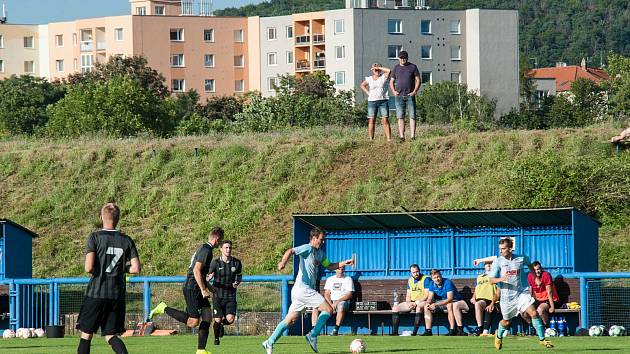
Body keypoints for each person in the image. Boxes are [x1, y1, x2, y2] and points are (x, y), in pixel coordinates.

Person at [262, 227, 354, 354]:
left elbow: (330, 265)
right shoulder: (307, 248)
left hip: (301, 291)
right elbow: (290, 251)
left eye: (323, 240)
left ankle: (269, 342)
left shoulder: (320, 253)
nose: (323, 242)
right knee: (329, 309)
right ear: (314, 238)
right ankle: (313, 335)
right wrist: (283, 262)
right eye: (321, 239)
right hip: (303, 289)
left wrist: (344, 263)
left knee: (290, 320)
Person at [76, 203, 141, 354]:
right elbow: (136, 268)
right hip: (116, 295)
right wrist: (121, 268)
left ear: (101, 217)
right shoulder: (126, 240)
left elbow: (89, 268)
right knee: (111, 335)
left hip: (96, 293)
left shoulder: (95, 237)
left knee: (86, 335)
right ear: (118, 219)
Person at [148, 227, 224, 354]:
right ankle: (163, 308)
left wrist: (210, 288)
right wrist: (203, 289)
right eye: (220, 241)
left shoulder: (204, 248)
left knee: (207, 317)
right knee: (193, 322)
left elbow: (201, 273)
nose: (220, 243)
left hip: (197, 287)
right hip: (192, 288)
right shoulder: (206, 250)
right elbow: (196, 270)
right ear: (216, 239)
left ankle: (201, 350)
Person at [489, 237, 554, 349]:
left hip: (521, 293)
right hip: (507, 298)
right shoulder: (498, 262)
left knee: (534, 313)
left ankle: (542, 339)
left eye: (503, 248)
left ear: (510, 248)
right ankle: (498, 336)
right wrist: (502, 279)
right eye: (500, 249)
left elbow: (529, 265)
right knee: (506, 322)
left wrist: (536, 278)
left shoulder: (520, 258)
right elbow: (491, 280)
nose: (501, 251)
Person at [206, 240, 242, 345]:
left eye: (230, 248)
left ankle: (222, 324)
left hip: (230, 295)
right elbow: (208, 274)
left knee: (230, 319)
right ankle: (216, 339)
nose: (228, 250)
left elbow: (239, 276)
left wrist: (237, 282)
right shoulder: (215, 262)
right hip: (218, 295)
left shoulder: (236, 262)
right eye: (226, 248)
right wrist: (209, 277)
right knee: (217, 319)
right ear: (221, 249)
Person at [424, 269, 469, 336]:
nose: (437, 279)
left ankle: (453, 330)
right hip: (444, 302)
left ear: (441, 276)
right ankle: (428, 331)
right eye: (435, 278)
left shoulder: (447, 282)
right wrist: (428, 303)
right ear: (432, 279)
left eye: (438, 277)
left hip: (456, 301)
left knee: (449, 305)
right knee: (426, 307)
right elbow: (430, 297)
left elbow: (450, 298)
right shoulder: (431, 284)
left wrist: (435, 304)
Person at [311, 265, 354, 336]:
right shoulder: (330, 279)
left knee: (341, 306)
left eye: (342, 269)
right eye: (339, 269)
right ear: (335, 270)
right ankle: (315, 330)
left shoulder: (348, 279)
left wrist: (337, 302)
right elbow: (327, 293)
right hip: (330, 302)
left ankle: (335, 330)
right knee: (315, 307)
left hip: (342, 301)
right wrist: (330, 304)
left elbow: (349, 294)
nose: (341, 270)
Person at [390, 264, 431, 336]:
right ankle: (395, 332)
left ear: (419, 271)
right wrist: (408, 303)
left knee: (419, 308)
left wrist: (416, 303)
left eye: (417, 271)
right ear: (411, 273)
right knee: (395, 308)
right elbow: (408, 294)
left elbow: (427, 295)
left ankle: (414, 333)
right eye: (414, 272)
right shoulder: (410, 280)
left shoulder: (426, 279)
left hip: (422, 301)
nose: (416, 274)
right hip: (412, 302)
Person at [389, 50, 421, 141]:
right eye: (401, 58)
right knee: (400, 116)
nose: (403, 59)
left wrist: (415, 91)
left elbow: (418, 80)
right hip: (398, 96)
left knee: (412, 116)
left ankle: (412, 137)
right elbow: (391, 81)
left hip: (410, 96)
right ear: (399, 58)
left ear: (407, 58)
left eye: (404, 57)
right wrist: (393, 91)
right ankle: (402, 137)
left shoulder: (413, 67)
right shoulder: (396, 68)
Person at [360, 63, 392, 142]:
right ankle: (371, 139)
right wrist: (368, 93)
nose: (377, 71)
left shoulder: (383, 77)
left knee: (385, 119)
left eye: (378, 69)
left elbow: (389, 70)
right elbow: (362, 85)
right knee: (371, 120)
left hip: (383, 101)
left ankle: (389, 139)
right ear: (372, 70)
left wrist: (379, 67)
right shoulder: (369, 78)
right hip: (372, 101)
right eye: (375, 69)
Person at [526, 261, 559, 328]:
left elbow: (549, 292)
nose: (537, 271)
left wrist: (552, 307)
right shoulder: (530, 276)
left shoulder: (546, 275)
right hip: (537, 300)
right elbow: (530, 291)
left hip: (548, 300)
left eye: (538, 269)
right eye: (534, 270)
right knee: (524, 311)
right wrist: (528, 303)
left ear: (541, 269)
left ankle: (547, 327)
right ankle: (535, 328)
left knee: (540, 310)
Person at [470, 261, 499, 336]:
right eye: (487, 264)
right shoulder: (480, 277)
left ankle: (485, 330)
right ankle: (480, 327)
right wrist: (473, 297)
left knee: (487, 307)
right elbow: (477, 288)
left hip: (491, 299)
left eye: (491, 264)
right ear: (484, 266)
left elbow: (499, 289)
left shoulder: (496, 275)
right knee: (477, 304)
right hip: (481, 299)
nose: (489, 265)